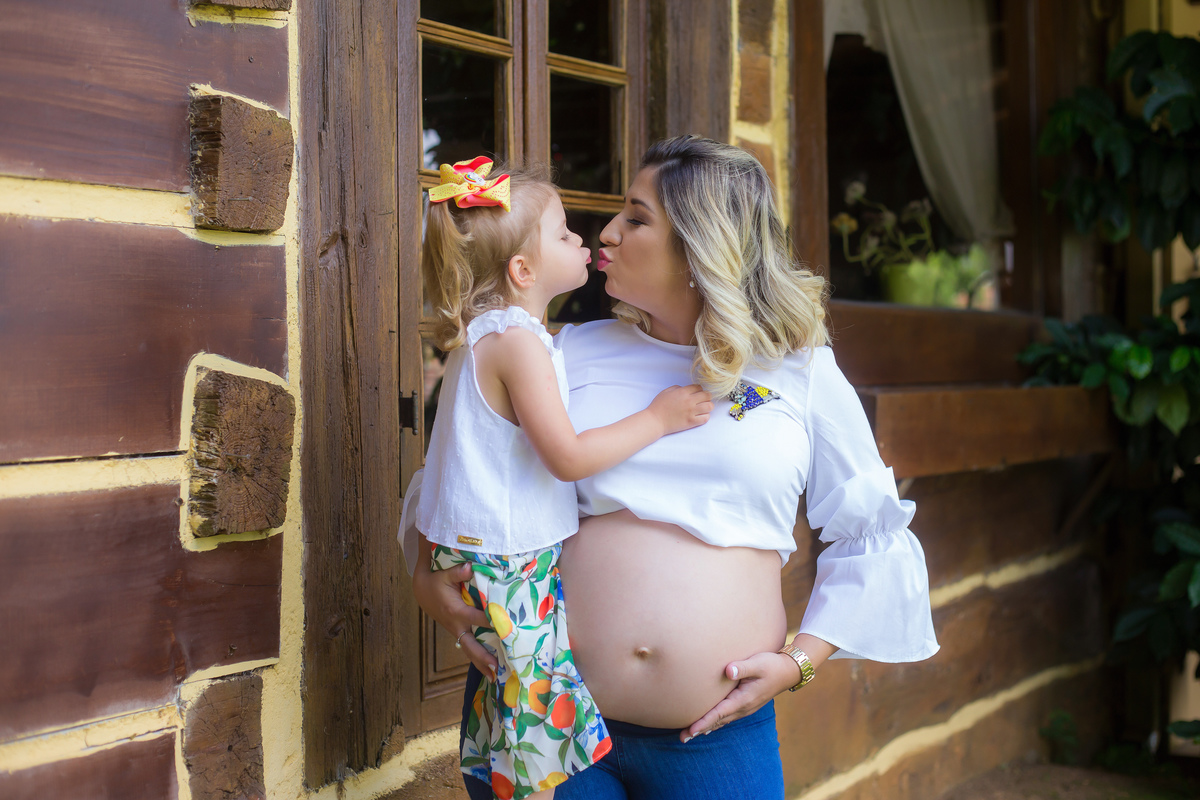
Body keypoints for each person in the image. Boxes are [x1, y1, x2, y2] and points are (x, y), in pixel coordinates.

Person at [405, 137, 939, 800]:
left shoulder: (798, 371)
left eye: (636, 217)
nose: (608, 232)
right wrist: (426, 574)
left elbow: (869, 530)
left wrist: (801, 663)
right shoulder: (562, 351)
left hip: (714, 739)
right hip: (553, 720)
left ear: (698, 244)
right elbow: (463, 471)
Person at [412, 155, 714, 800]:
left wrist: (422, 554)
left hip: (484, 551)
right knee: (531, 709)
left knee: (515, 697)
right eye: (565, 233)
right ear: (523, 270)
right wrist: (658, 418)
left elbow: (449, 463)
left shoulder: (493, 337)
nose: (588, 239)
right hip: (508, 558)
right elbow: (568, 458)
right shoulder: (517, 343)